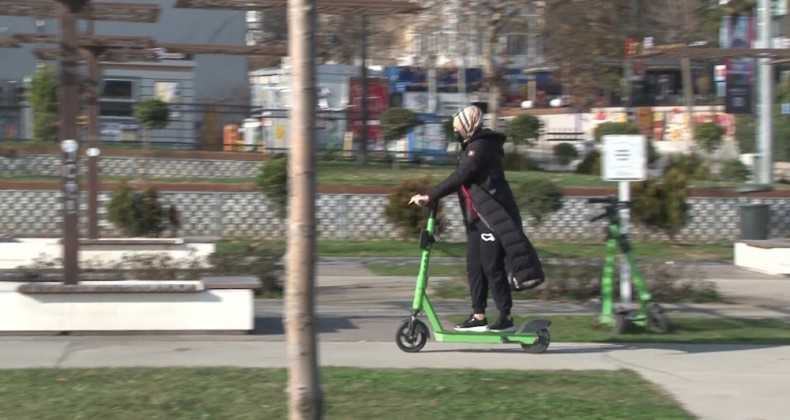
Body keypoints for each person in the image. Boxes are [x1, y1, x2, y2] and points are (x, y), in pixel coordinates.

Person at [409, 105, 544, 333]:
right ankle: (478, 315)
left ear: (468, 124)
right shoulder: (470, 146)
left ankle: (505, 317)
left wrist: (430, 194)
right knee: (474, 266)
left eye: (457, 127)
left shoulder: (481, 146)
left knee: (492, 267)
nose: (455, 131)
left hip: (493, 217)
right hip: (476, 219)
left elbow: (462, 175)